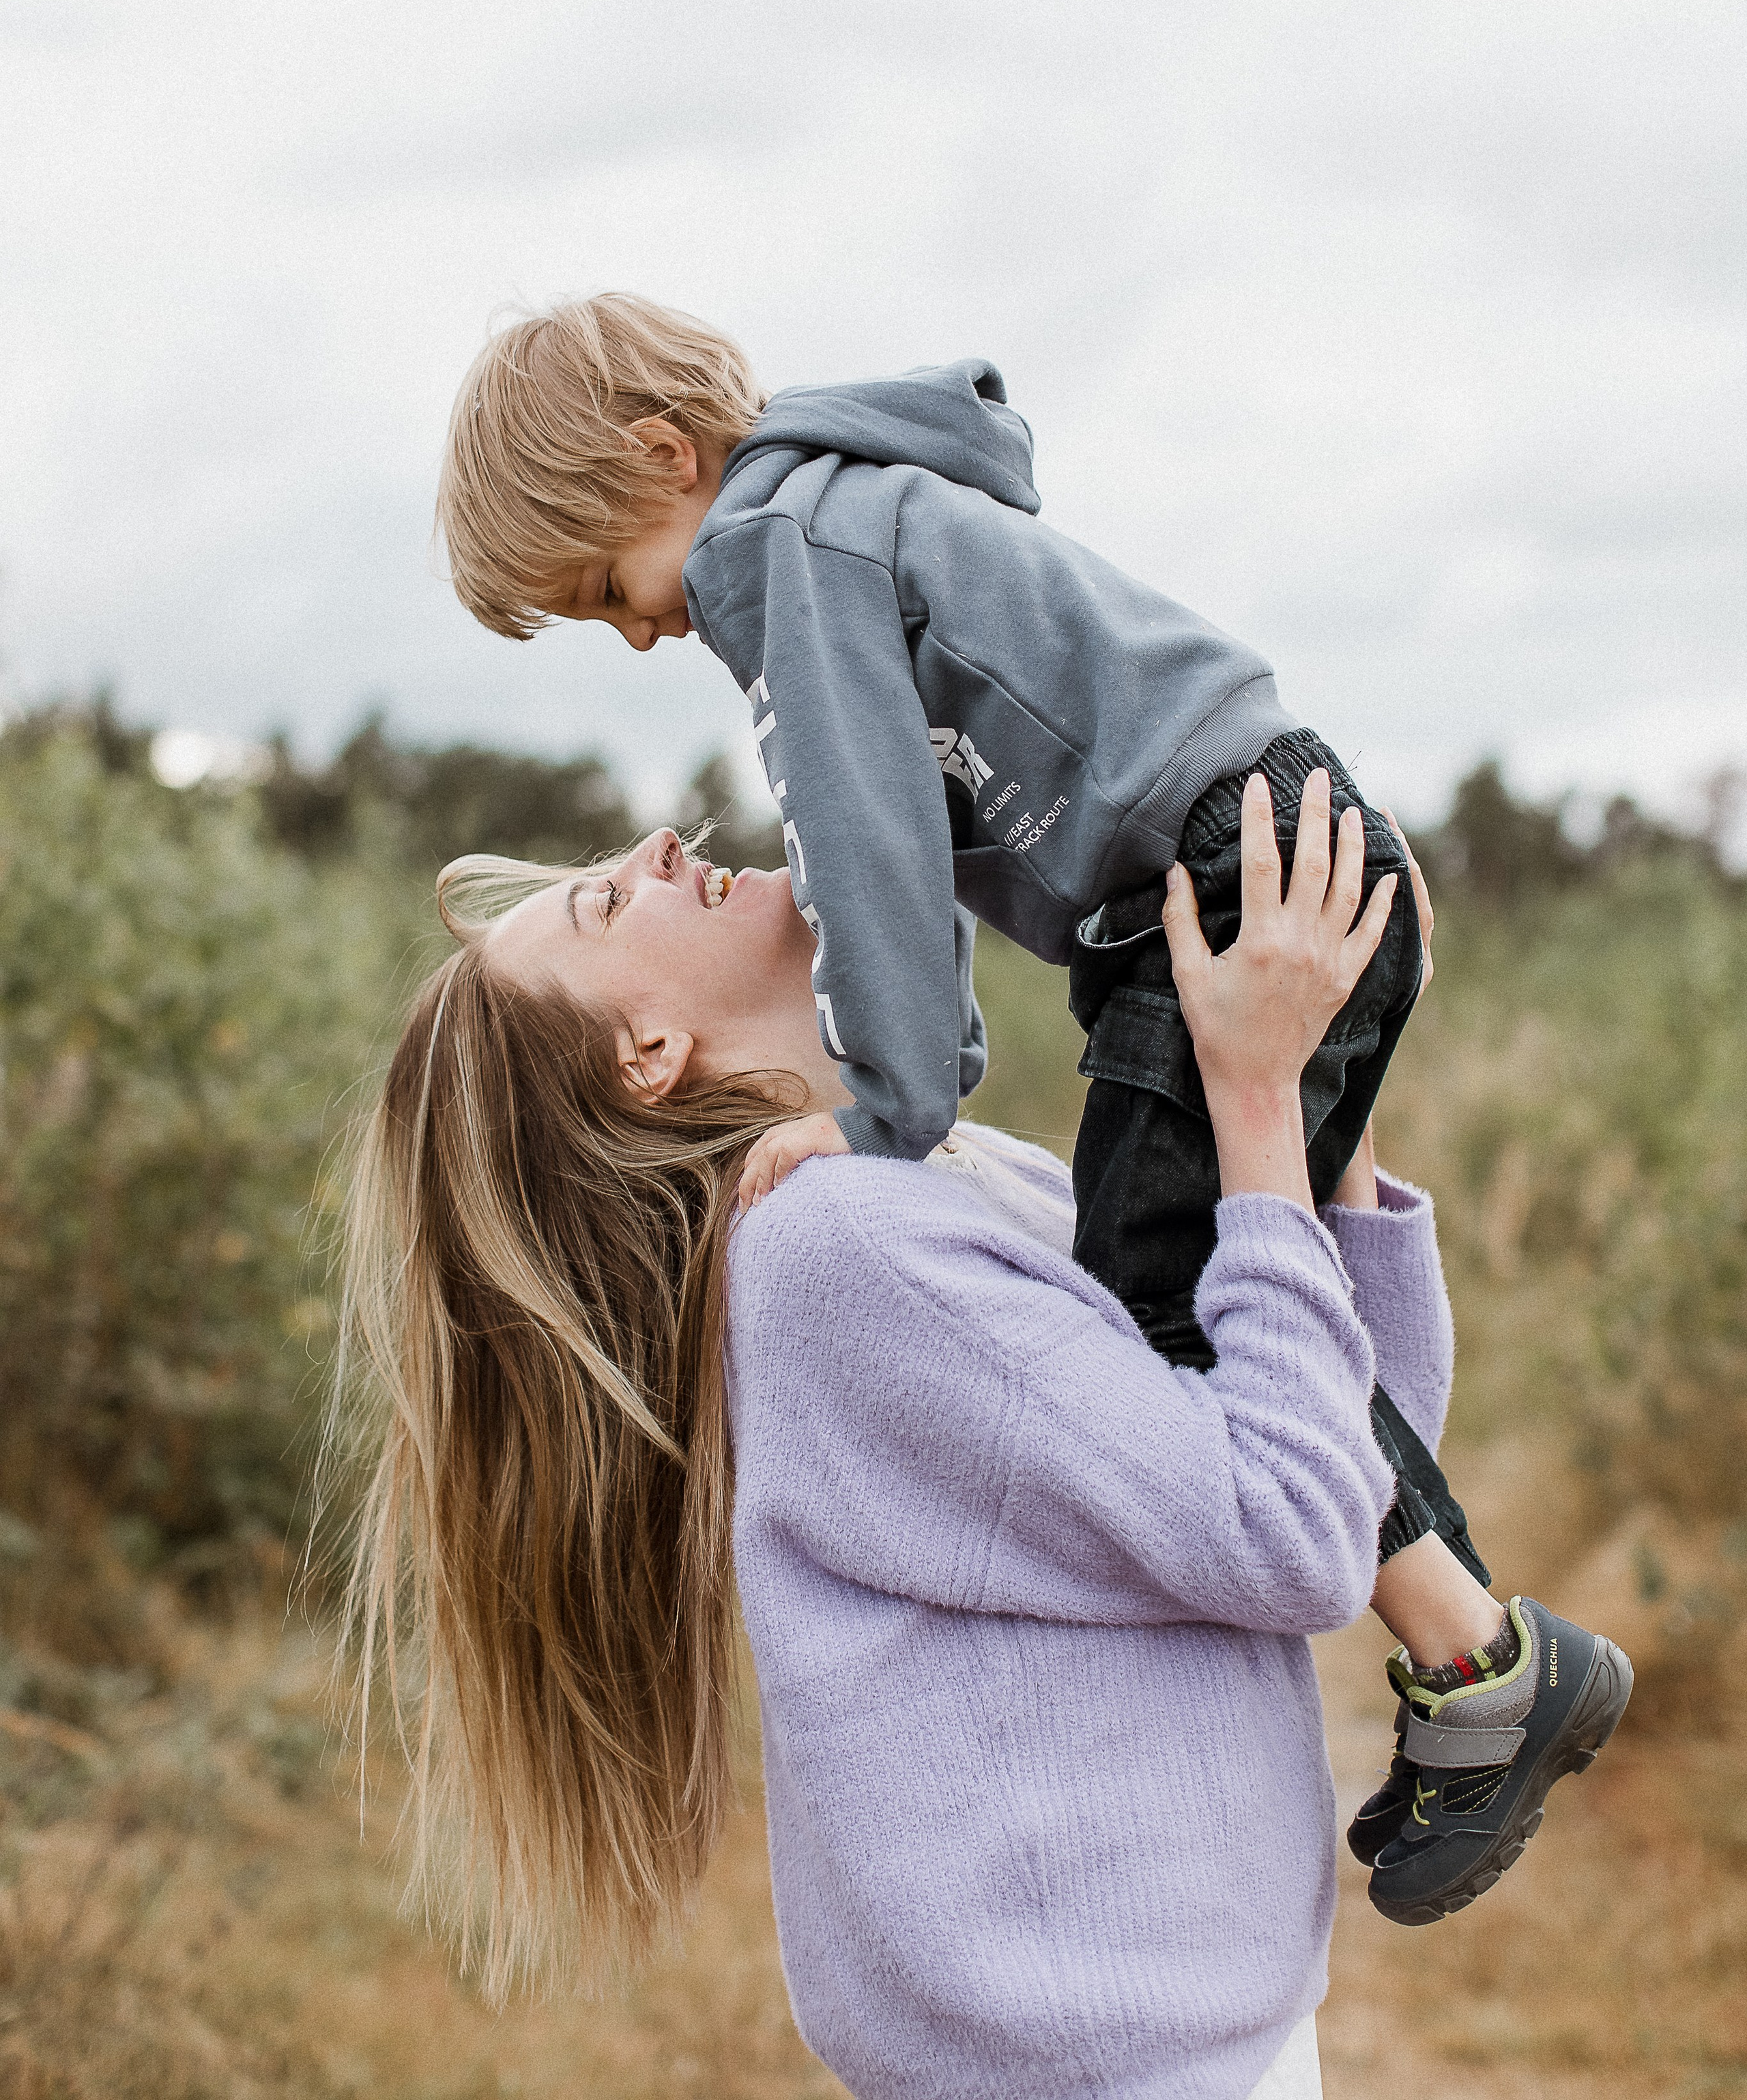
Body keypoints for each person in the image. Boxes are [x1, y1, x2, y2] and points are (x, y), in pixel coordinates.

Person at [433, 292, 1631, 1916]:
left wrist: (887, 1110)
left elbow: (859, 847)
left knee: (1160, 1308)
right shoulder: (855, 507)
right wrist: (1255, 1087)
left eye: (604, 593)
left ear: (662, 459)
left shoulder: (773, 552)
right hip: (1252, 843)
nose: (643, 632)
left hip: (1206, 881)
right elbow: (899, 853)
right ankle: (1483, 1658)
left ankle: (1481, 1665)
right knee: (1183, 1299)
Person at [334, 777, 1628, 2096]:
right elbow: (1291, 1534)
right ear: (648, 1053)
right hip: (1101, 2064)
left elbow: (1350, 1475)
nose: (657, 846)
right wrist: (1249, 1093)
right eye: (609, 902)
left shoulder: (943, 1179)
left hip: (1185, 2033)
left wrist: (1323, 1083)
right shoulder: (836, 1254)